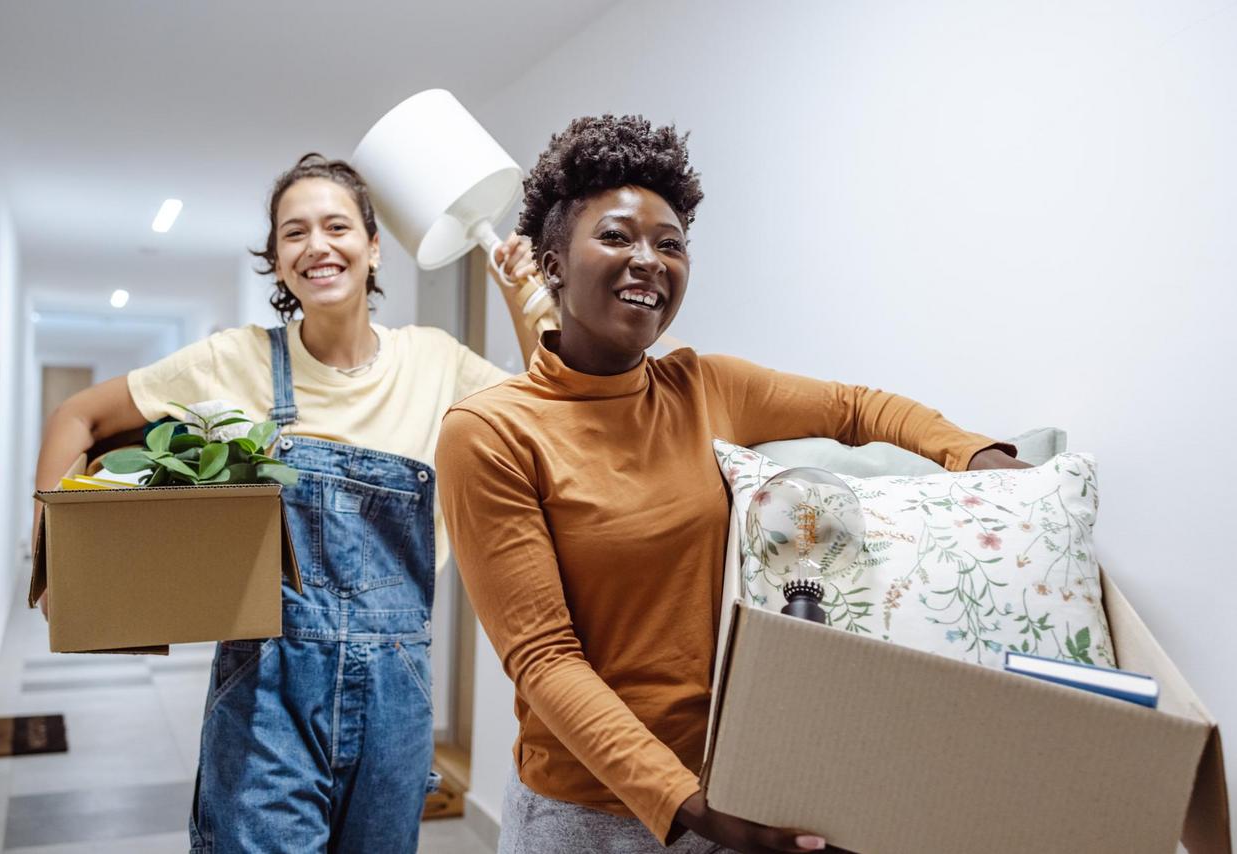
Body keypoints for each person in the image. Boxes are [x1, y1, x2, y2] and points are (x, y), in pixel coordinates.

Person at [435, 116, 1028, 854]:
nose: (650, 260)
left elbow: (855, 408)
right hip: (591, 814)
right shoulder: (491, 431)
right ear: (551, 264)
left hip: (739, 784)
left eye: (671, 243)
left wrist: (979, 458)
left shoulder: (703, 386)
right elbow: (545, 660)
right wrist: (693, 807)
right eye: (617, 237)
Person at [31, 153, 543, 853]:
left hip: (398, 698)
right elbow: (78, 417)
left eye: (336, 226)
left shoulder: (437, 362)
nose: (316, 246)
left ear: (372, 247)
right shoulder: (232, 359)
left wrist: (524, 295)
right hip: (266, 690)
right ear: (275, 260)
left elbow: (552, 413)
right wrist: (54, 560)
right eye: (293, 233)